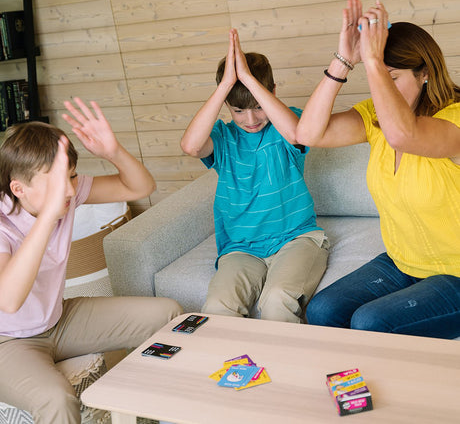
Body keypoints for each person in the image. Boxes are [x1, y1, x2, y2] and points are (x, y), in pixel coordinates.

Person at [0, 98, 183, 423]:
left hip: (59, 320)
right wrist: (47, 217)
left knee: (167, 314)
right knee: (57, 400)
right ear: (19, 188)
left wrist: (113, 152)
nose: (69, 191)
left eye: (71, 177)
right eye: (56, 182)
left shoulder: (68, 193)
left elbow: (141, 186)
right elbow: (9, 300)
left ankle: (151, 414)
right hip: (8, 342)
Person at [297, 0, 460, 339]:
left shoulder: (454, 119)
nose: (382, 88)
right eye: (377, 77)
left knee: (371, 322)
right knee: (322, 310)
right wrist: (344, 60)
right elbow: (308, 133)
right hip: (404, 261)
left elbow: (405, 135)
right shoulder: (376, 115)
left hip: (456, 272)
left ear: (425, 73)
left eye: (393, 77)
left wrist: (371, 58)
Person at [181, 28, 329, 323]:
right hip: (240, 249)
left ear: (272, 92)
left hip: (296, 239)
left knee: (277, 300)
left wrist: (249, 79)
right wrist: (225, 86)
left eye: (258, 107)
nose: (250, 120)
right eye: (238, 110)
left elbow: (298, 134)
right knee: (217, 308)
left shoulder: (288, 124)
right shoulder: (222, 138)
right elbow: (191, 145)